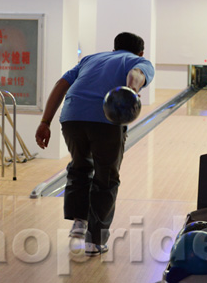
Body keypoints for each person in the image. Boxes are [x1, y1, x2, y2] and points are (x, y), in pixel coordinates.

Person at [35, 32, 154, 256]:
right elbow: (136, 74)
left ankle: (79, 222)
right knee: (106, 177)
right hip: (106, 118)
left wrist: (45, 121)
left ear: (113, 48)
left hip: (72, 117)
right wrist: (130, 91)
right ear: (140, 52)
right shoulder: (139, 61)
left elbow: (62, 84)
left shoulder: (90, 58)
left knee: (79, 166)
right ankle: (96, 239)